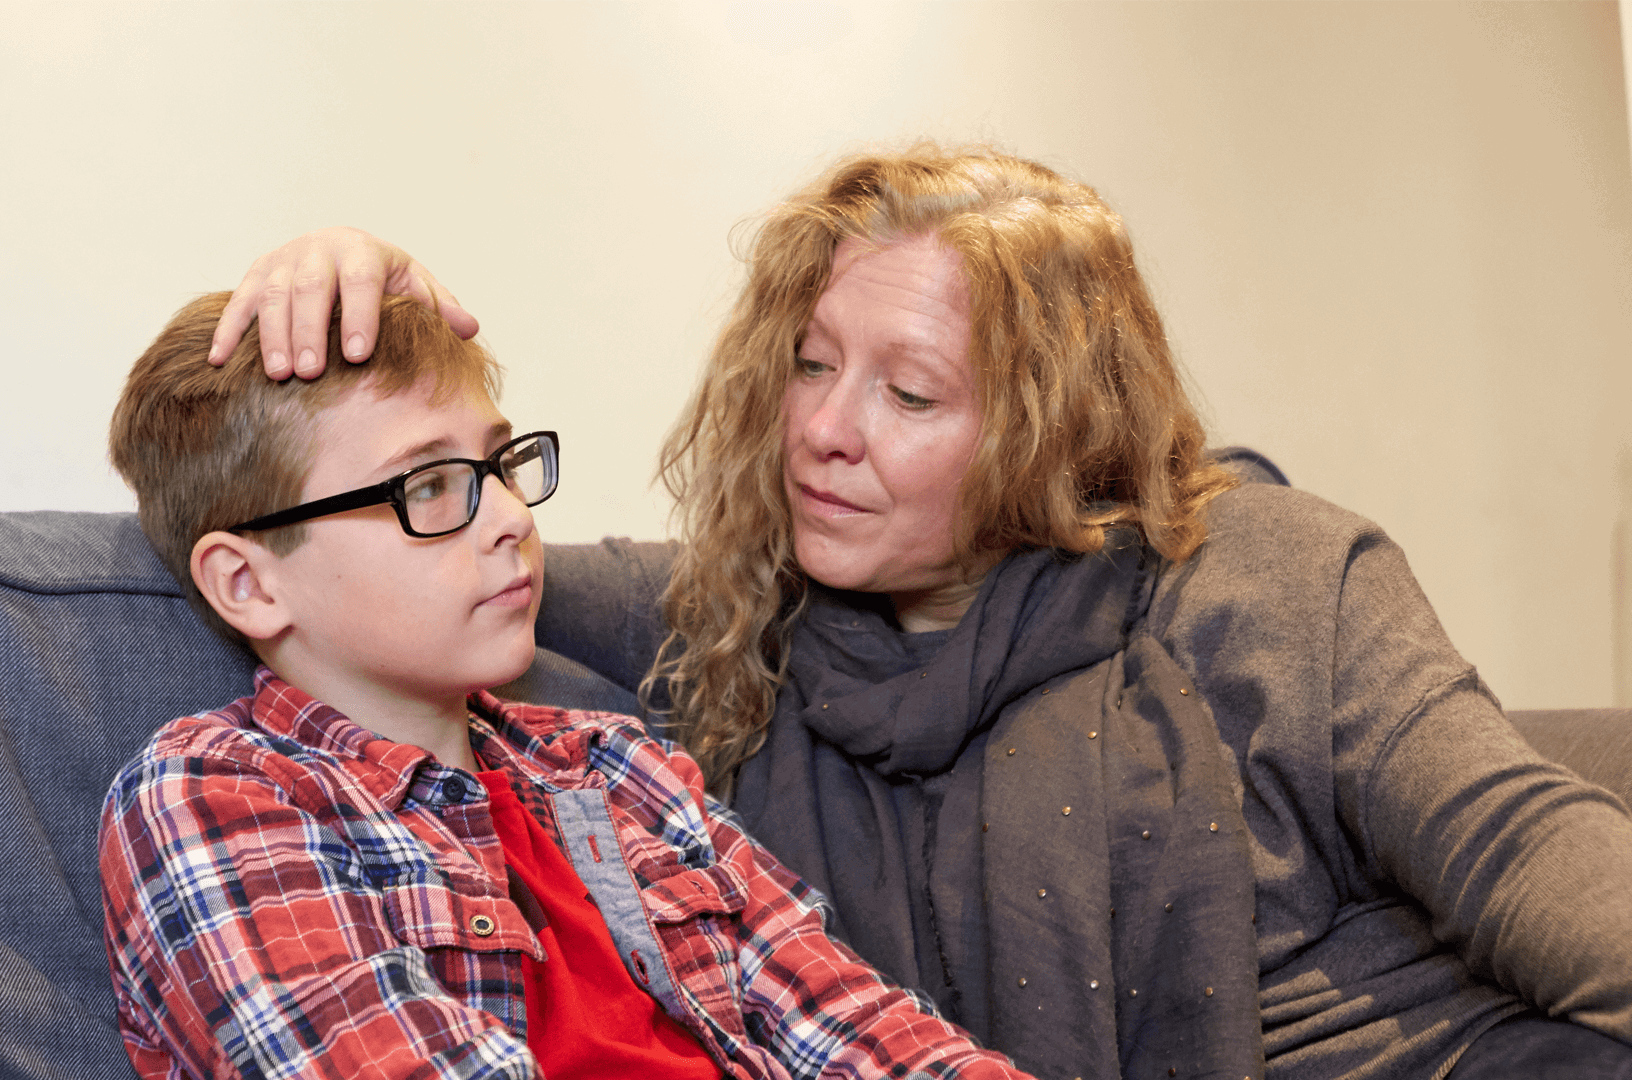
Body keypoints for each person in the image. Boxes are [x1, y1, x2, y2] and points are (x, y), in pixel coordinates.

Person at [211, 145, 1632, 1080]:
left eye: (908, 393)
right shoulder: (726, 620)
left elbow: (1543, 867)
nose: (825, 431)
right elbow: (413, 550)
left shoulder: (1270, 576)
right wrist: (345, 285)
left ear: (1056, 429)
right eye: (809, 364)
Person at [98, 291, 1032, 1080]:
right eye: (427, 486)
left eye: (500, 465)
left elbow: (857, 1027)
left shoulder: (621, 768)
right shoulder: (209, 793)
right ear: (249, 584)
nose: (509, 516)